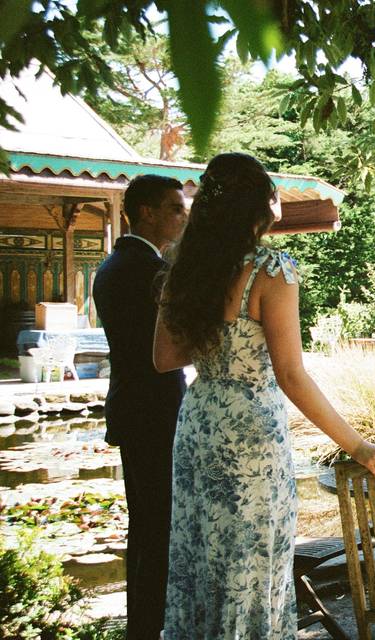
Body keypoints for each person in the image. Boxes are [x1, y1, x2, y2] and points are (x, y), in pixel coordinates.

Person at [153, 152, 375, 639]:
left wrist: (213, 332)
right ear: (260, 205)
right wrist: (358, 445)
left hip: (200, 422)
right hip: (249, 433)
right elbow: (291, 375)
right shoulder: (271, 269)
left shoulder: (184, 267)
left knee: (200, 560)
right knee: (251, 561)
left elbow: (164, 358)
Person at [92, 174, 187, 640]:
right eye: (175, 207)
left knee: (148, 526)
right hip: (154, 414)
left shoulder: (116, 265)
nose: (183, 215)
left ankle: (146, 624)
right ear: (146, 212)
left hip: (136, 410)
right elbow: (163, 348)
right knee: (158, 527)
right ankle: (152, 626)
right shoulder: (144, 270)